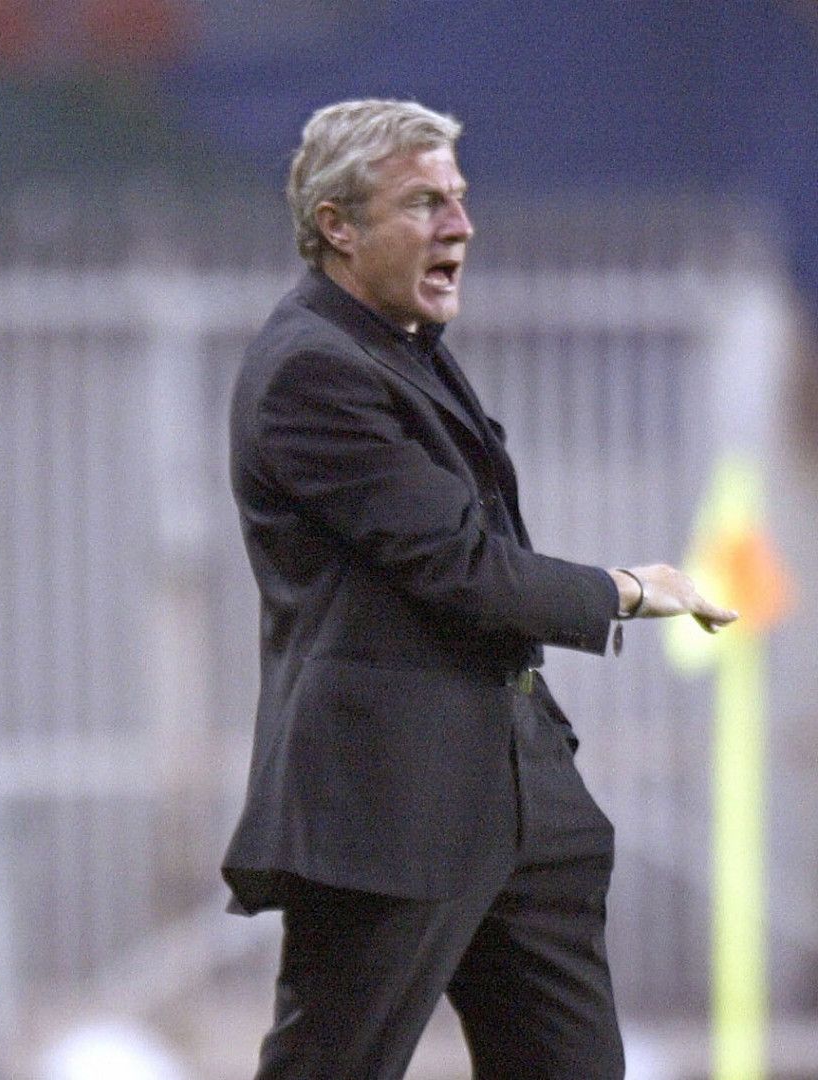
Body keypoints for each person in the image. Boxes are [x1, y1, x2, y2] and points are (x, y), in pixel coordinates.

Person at [221, 98, 739, 1079]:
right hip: (391, 805)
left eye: (459, 198)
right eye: (425, 203)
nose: (460, 224)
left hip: (517, 790)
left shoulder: (398, 345)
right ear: (338, 225)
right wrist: (628, 590)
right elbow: (459, 568)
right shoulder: (310, 369)